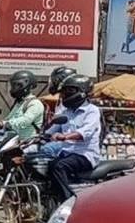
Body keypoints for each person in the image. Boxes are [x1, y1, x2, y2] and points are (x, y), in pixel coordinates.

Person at [44, 74, 102, 203]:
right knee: (40, 163)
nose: (64, 95)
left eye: (69, 91)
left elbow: (85, 132)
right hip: (67, 153)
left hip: (85, 155)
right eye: (64, 92)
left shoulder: (92, 111)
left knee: (58, 166)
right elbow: (52, 131)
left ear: (82, 92)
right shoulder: (67, 112)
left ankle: (68, 203)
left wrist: (64, 136)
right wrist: (41, 136)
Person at [0, 70, 45, 140]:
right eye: (13, 86)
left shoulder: (35, 103)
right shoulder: (20, 103)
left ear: (26, 86)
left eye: (17, 85)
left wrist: (5, 124)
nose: (13, 89)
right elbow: (10, 119)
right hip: (15, 140)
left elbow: (25, 121)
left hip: (29, 142)